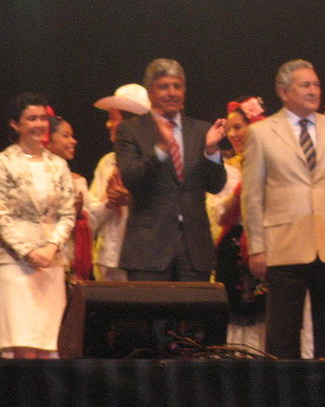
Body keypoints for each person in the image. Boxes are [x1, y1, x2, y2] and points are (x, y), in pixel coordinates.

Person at [241, 60, 325, 359]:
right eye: (305, 85)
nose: (313, 90)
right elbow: (252, 196)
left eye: (316, 84)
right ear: (284, 92)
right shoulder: (261, 133)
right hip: (283, 244)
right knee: (282, 336)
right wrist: (256, 247)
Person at [115, 59, 227, 281]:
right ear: (150, 92)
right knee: (151, 314)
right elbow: (132, 179)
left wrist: (211, 151)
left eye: (178, 86)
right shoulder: (131, 130)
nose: (172, 93)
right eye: (164, 86)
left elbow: (216, 185)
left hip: (194, 249)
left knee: (195, 315)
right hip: (148, 250)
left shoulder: (202, 131)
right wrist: (161, 151)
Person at [0, 93, 75, 358]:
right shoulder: (4, 163)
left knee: (48, 348)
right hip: (16, 266)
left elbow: (68, 214)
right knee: (23, 348)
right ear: (15, 124)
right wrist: (29, 252)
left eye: (43, 118)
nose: (39, 124)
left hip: (51, 266)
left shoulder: (58, 165)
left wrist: (52, 247)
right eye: (32, 118)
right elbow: (1, 216)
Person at [206, 96, 267, 352]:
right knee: (236, 313)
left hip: (267, 245)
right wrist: (241, 193)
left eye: (239, 126)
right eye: (229, 128)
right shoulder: (226, 169)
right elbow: (217, 214)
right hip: (233, 248)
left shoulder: (271, 164)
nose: (232, 134)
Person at [87, 83, 150, 281]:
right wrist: (108, 202)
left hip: (145, 261)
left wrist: (131, 199)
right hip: (108, 261)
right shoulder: (107, 163)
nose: (108, 124)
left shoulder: (156, 161)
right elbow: (91, 219)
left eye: (113, 119)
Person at [45, 114, 93, 281]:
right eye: (65, 136)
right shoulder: (33, 179)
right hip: (40, 257)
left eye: (72, 136)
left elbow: (94, 222)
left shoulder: (78, 182)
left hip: (69, 261)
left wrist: (79, 215)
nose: (73, 141)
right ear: (47, 141)